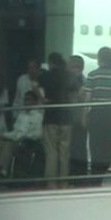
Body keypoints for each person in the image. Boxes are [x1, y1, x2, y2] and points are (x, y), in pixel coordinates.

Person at [83, 47, 111, 182]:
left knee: (95, 145)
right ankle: (107, 171)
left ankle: (96, 176)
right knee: (110, 145)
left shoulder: (92, 75)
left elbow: (87, 98)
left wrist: (84, 116)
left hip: (96, 114)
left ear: (99, 58)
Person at [40, 52, 72, 189]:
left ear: (51, 62)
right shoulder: (69, 75)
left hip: (51, 117)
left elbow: (39, 91)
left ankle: (51, 183)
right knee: (65, 152)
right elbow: (75, 94)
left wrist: (43, 98)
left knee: (52, 151)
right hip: (67, 117)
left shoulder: (46, 76)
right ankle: (64, 182)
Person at [0, 91, 43, 178]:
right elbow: (15, 132)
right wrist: (3, 135)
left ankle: (2, 171)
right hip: (15, 139)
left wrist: (26, 137)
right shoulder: (21, 116)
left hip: (27, 143)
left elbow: (38, 134)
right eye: (25, 100)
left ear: (34, 102)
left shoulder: (38, 117)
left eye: (29, 100)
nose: (26, 102)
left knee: (8, 146)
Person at [67, 55, 88, 180]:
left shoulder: (84, 83)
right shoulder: (66, 82)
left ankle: (80, 175)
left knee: (79, 147)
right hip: (70, 119)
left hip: (79, 119)